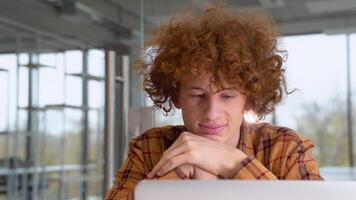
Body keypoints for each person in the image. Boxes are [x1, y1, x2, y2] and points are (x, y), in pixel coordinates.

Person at [105, 5, 323, 200]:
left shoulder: (285, 147)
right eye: (198, 95)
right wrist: (177, 173)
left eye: (227, 96)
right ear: (176, 95)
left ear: (249, 98)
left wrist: (232, 163)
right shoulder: (149, 147)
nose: (211, 113)